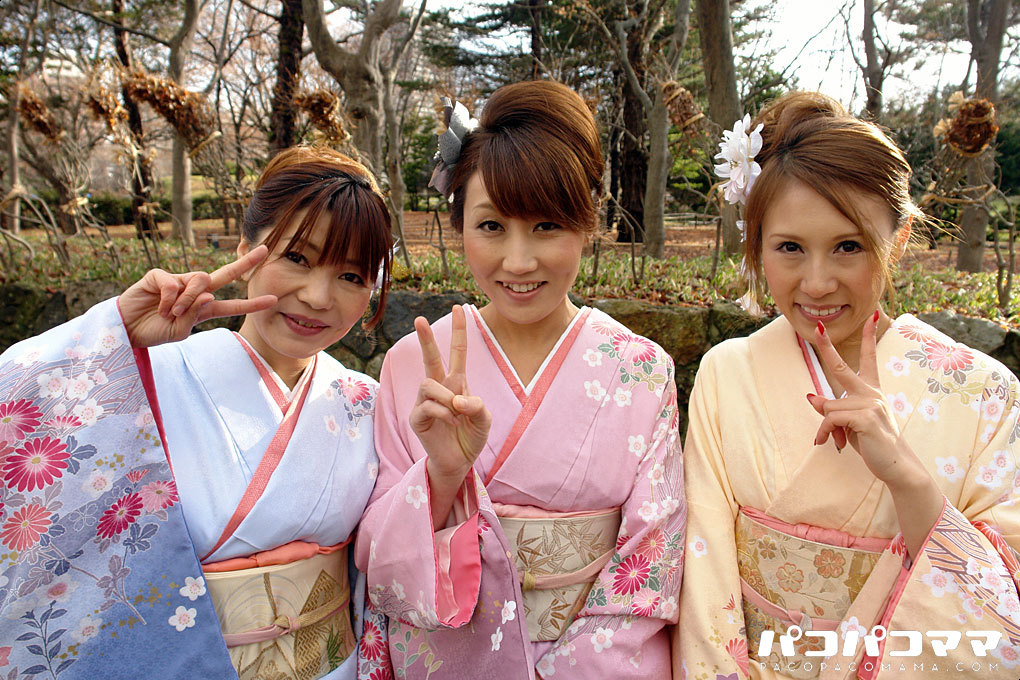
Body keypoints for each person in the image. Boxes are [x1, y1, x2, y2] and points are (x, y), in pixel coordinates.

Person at [0, 146, 391, 679]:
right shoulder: (145, 377)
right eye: (298, 258)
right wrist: (112, 337)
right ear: (245, 249)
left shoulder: (366, 402)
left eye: (352, 276)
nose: (319, 296)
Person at [674, 91, 1020, 680]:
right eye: (789, 247)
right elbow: (703, 573)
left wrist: (907, 478)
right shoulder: (727, 372)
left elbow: (1005, 608)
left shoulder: (984, 392)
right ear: (755, 243)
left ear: (900, 239)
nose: (816, 283)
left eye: (849, 246)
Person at [354, 80, 685, 680]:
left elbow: (651, 557)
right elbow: (379, 557)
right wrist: (442, 475)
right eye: (491, 226)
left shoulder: (641, 368)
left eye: (546, 225)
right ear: (459, 223)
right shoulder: (410, 366)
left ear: (586, 222)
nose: (518, 260)